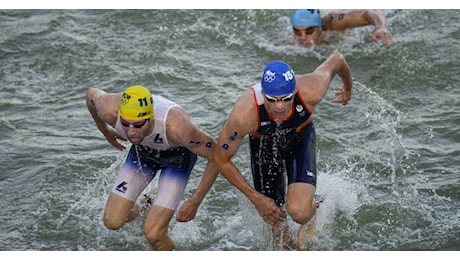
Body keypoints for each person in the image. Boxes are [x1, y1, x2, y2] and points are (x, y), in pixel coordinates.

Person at [213, 52, 353, 249]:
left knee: (299, 213)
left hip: (299, 137)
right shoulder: (244, 114)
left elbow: (337, 59)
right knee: (275, 224)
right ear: (263, 95)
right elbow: (220, 158)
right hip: (263, 145)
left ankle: (313, 206)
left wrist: (348, 87)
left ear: (295, 92)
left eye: (286, 99)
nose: (279, 106)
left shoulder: (313, 88)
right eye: (272, 99)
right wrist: (256, 199)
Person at [85, 85, 219, 250]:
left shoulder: (178, 128)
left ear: (151, 118)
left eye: (137, 125)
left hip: (177, 159)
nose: (131, 132)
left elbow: (217, 155)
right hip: (143, 151)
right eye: (126, 124)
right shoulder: (108, 109)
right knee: (112, 222)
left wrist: (195, 202)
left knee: (153, 234)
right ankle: (147, 201)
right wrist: (104, 130)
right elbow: (90, 94)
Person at [291, 9, 393, 48]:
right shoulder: (291, 45)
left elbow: (369, 13)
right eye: (297, 32)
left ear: (319, 27)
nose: (302, 37)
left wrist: (380, 27)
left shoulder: (334, 22)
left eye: (309, 31)